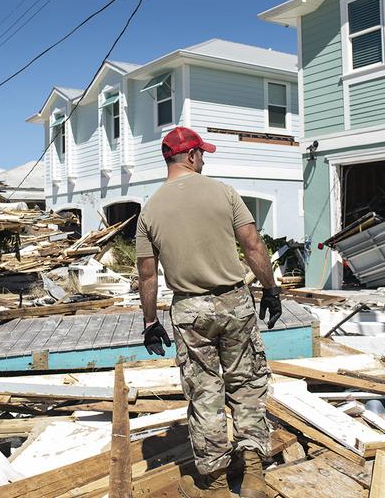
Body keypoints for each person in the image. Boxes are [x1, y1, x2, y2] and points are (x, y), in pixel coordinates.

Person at [135, 126, 282, 498]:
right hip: (234, 303)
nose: (204, 161)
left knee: (205, 395)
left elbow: (147, 274)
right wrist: (270, 289)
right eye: (202, 154)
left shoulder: (150, 209)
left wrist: (150, 322)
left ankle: (216, 484)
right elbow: (252, 245)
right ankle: (252, 476)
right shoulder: (224, 192)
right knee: (246, 386)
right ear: (191, 156)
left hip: (189, 310)